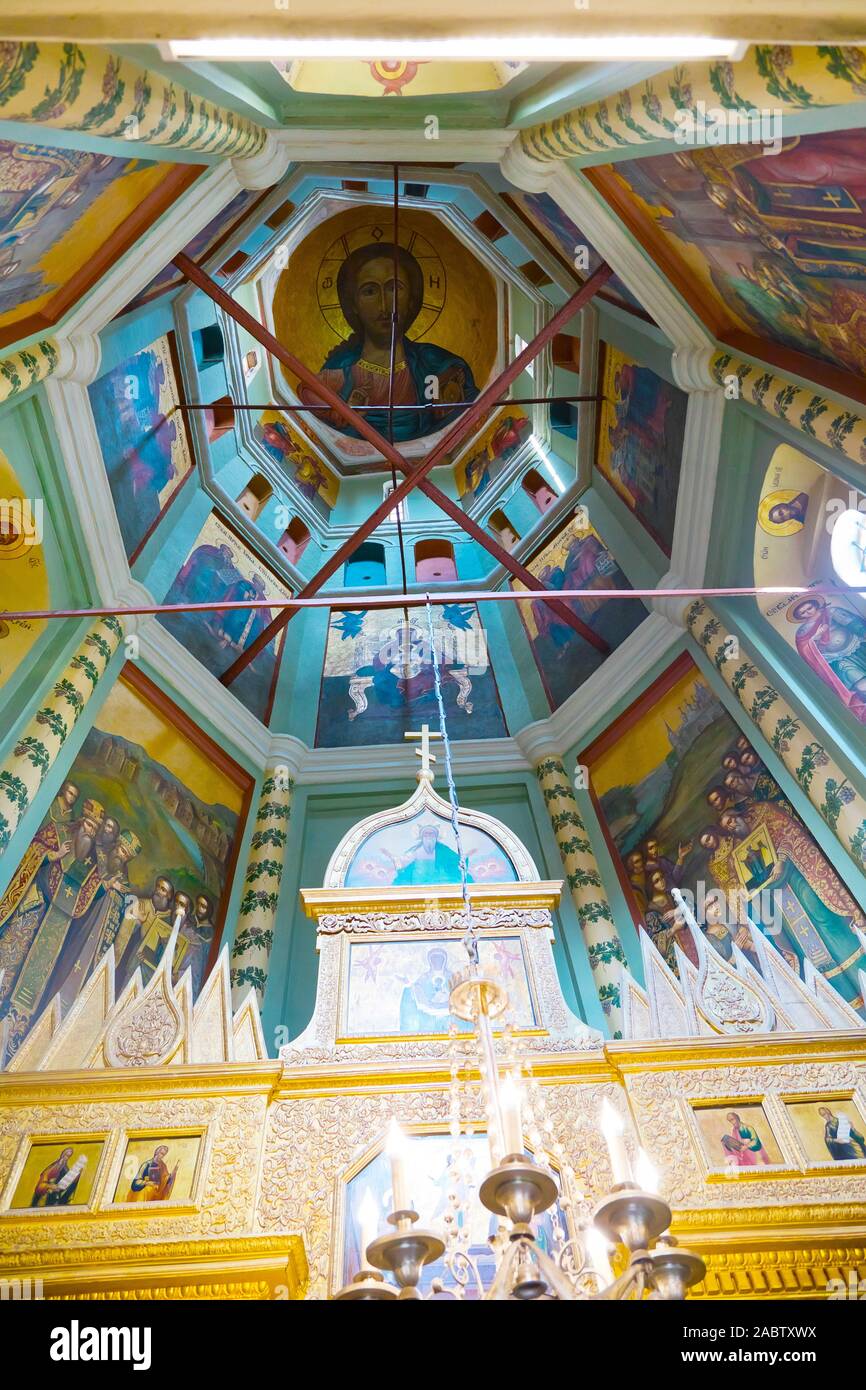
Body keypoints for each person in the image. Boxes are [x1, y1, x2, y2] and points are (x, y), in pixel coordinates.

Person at [301, 242, 478, 441]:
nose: (385, 305)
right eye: (369, 291)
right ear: (354, 305)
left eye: (394, 288)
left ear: (411, 299)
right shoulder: (338, 371)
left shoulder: (439, 365)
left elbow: (468, 419)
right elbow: (311, 415)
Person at [399, 947, 453, 1033]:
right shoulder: (424, 978)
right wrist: (408, 985)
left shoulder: (451, 976)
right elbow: (416, 990)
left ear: (444, 960)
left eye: (439, 958)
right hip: (428, 1012)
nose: (437, 962)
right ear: (430, 961)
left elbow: (457, 992)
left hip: (448, 1011)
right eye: (434, 959)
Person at [392, 824, 466, 886]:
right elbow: (403, 865)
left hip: (439, 884)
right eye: (426, 834)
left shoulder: (444, 851)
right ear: (422, 837)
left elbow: (456, 861)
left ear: (436, 837)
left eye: (432, 834)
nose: (429, 836)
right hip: (418, 885)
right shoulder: (414, 851)